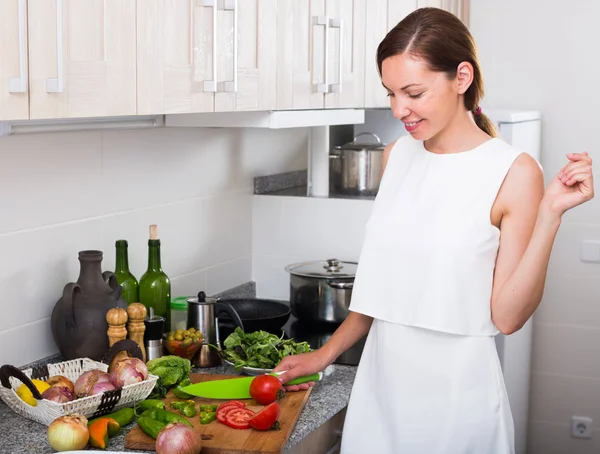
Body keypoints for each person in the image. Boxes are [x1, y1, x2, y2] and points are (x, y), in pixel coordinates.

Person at [273, 6, 595, 454]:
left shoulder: (514, 171)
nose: (399, 109)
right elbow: (382, 287)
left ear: (461, 77)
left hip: (457, 403)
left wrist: (550, 216)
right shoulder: (398, 156)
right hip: (379, 393)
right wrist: (323, 356)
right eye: (390, 93)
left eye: (413, 92)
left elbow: (508, 316)